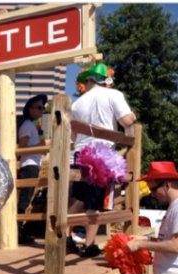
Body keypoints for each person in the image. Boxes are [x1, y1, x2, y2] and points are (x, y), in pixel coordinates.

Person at [69, 63, 136, 257]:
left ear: (88, 80)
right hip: (103, 154)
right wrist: (133, 115)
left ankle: (65, 237)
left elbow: (73, 137)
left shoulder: (77, 103)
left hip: (81, 154)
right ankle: (88, 245)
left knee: (79, 199)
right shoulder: (113, 94)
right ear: (103, 80)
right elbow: (127, 121)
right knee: (96, 203)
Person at [17, 94, 48, 245]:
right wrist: (42, 146)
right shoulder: (27, 126)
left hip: (34, 164)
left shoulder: (35, 126)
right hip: (28, 164)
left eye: (43, 107)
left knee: (27, 199)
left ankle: (19, 230)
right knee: (24, 199)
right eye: (39, 107)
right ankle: (17, 230)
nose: (42, 109)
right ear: (30, 110)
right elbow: (22, 147)